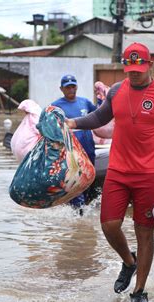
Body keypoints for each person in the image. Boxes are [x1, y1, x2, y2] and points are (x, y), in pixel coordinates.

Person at [65, 42, 154, 302]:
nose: (134, 73)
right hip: (118, 170)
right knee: (109, 224)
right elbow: (100, 118)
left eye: (139, 68)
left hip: (149, 173)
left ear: (149, 65)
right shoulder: (116, 92)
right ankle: (129, 261)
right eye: (130, 68)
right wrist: (73, 123)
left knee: (144, 231)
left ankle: (139, 291)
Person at [52, 74, 97, 211]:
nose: (71, 89)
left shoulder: (85, 102)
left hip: (88, 147)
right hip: (71, 151)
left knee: (90, 177)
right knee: (75, 178)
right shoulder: (56, 106)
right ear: (61, 89)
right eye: (67, 87)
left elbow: (98, 115)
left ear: (76, 86)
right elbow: (50, 127)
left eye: (73, 86)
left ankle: (87, 206)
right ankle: (78, 210)